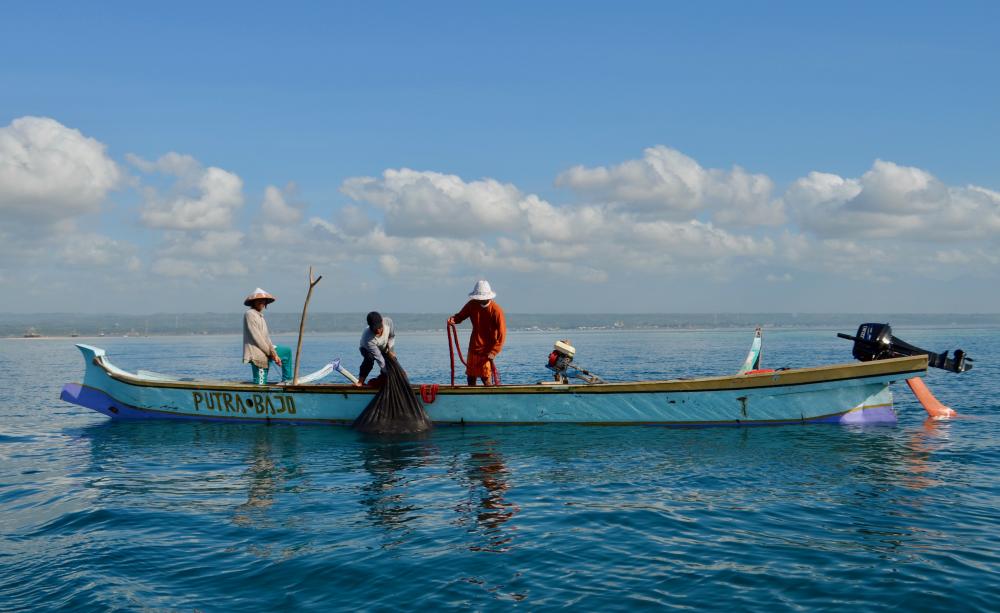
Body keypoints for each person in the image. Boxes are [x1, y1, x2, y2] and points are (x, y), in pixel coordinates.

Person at [448, 280, 506, 386]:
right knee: (471, 378)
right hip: (474, 347)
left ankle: (489, 399)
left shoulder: (496, 311)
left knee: (485, 378)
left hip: (487, 351)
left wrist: (494, 351)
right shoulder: (472, 305)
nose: (480, 301)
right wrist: (453, 320)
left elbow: (502, 334)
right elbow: (460, 316)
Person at [242, 288, 293, 384]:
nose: (262, 302)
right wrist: (271, 354)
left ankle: (287, 380)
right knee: (261, 384)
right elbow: (258, 339)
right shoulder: (250, 314)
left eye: (263, 300)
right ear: (253, 302)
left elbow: (266, 338)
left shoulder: (260, 316)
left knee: (286, 352)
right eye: (259, 300)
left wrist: (274, 354)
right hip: (257, 354)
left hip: (267, 351)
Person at [357, 311, 395, 387]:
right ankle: (360, 381)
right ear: (370, 326)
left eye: (379, 327)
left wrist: (390, 351)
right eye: (374, 328)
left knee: (392, 360)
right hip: (366, 349)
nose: (378, 331)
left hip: (383, 347)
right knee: (370, 359)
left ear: (382, 321)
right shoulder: (367, 337)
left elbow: (391, 337)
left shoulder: (388, 322)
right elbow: (379, 358)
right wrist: (388, 373)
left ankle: (386, 378)